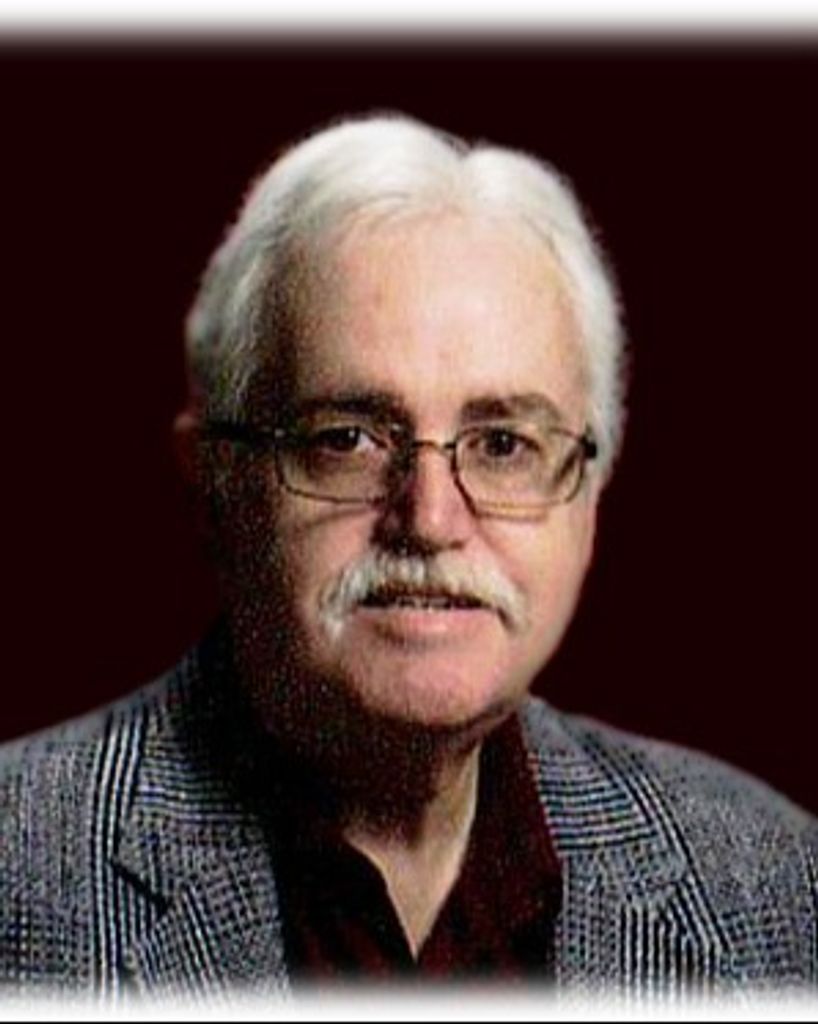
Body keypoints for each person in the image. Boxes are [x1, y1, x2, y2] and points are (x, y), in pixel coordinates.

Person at [0, 113, 815, 1001]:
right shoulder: (21, 870)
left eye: (503, 445)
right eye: (346, 438)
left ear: (589, 497)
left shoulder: (776, 887)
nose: (428, 520)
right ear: (217, 484)